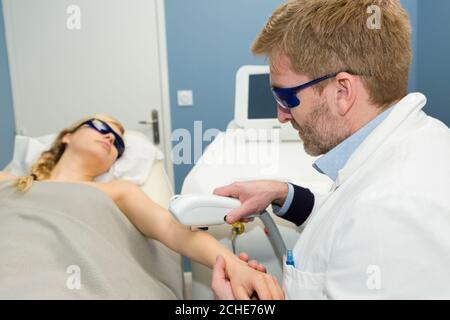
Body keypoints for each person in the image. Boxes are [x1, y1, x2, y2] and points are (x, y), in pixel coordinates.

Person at [212, 0, 450, 299]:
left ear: (343, 91)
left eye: (286, 96)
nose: (281, 115)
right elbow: (344, 219)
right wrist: (283, 194)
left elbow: (364, 221)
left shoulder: (389, 212)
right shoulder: (418, 141)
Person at [0, 115, 283, 300]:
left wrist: (235, 267)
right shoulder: (7, 180)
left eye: (119, 142)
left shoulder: (118, 191)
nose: (111, 138)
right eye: (101, 128)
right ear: (67, 136)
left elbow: (175, 231)